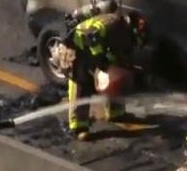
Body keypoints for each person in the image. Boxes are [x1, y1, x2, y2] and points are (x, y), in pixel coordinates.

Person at [63, 9, 148, 140]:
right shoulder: (112, 24)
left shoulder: (123, 30)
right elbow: (91, 36)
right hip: (78, 47)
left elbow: (117, 50)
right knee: (82, 84)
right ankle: (79, 126)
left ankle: (116, 112)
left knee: (116, 75)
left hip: (94, 48)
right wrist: (100, 64)